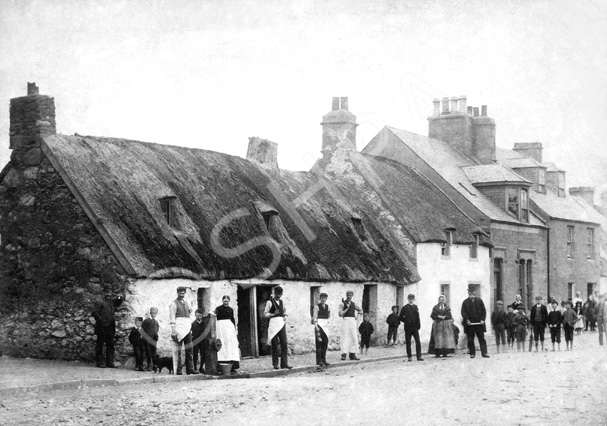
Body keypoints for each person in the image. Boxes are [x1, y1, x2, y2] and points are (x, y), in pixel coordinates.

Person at [91, 284, 124, 368]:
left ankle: (109, 362)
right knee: (100, 345)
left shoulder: (111, 301)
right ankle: (100, 362)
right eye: (107, 292)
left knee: (110, 344)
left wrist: (120, 298)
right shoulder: (100, 301)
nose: (109, 294)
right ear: (104, 292)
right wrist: (101, 320)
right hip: (102, 326)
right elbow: (94, 312)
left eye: (110, 292)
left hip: (110, 326)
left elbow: (117, 303)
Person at [169, 286, 197, 375]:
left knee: (189, 349)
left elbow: (189, 313)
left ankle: (190, 369)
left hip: (187, 327)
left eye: (183, 293)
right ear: (177, 293)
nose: (181, 295)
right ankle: (178, 369)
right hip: (178, 327)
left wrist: (190, 311)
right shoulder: (173, 304)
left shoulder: (186, 303)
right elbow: (172, 317)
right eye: (180, 293)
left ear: (185, 293)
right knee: (178, 350)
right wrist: (173, 330)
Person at [264, 286, 292, 369]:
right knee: (275, 344)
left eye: (280, 294)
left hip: (281, 323)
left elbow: (285, 311)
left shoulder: (282, 302)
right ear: (274, 293)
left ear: (282, 294)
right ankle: (275, 363)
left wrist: (285, 316)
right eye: (277, 294)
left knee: (284, 343)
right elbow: (265, 314)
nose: (278, 296)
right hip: (273, 324)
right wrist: (273, 314)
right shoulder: (269, 302)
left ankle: (284, 363)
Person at [460, 285, 489, 359]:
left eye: (473, 291)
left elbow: (484, 311)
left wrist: (483, 319)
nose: (472, 293)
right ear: (468, 292)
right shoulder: (465, 302)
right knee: (470, 339)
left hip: (479, 323)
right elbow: (463, 312)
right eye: (470, 292)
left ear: (475, 292)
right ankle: (472, 353)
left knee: (481, 338)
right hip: (470, 324)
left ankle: (484, 353)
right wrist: (467, 320)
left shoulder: (479, 301)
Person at [215, 296, 240, 374]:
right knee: (222, 344)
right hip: (221, 328)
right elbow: (214, 314)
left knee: (230, 344)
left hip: (229, 328)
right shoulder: (218, 308)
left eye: (227, 301)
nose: (226, 302)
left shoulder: (231, 309)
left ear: (229, 301)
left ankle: (232, 366)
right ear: (222, 301)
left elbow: (232, 319)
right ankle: (220, 367)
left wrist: (234, 328)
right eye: (224, 301)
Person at [339, 290, 363, 361]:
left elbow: (360, 310)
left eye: (350, 295)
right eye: (348, 295)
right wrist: (347, 308)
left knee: (353, 337)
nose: (349, 297)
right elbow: (340, 314)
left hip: (352, 321)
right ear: (346, 295)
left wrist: (357, 316)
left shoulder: (354, 304)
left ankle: (352, 354)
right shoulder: (342, 304)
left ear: (352, 296)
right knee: (345, 337)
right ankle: (343, 354)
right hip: (345, 321)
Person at [399, 294, 423, 362]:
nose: (411, 300)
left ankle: (419, 356)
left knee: (418, 342)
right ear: (408, 299)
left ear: (414, 299)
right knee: (408, 342)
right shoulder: (405, 307)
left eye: (412, 299)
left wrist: (418, 326)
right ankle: (409, 357)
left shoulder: (416, 307)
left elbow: (418, 317)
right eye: (410, 299)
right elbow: (400, 317)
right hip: (408, 328)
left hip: (415, 327)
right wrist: (406, 321)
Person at [312, 292, 331, 366]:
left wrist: (327, 323)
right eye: (322, 298)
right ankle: (319, 360)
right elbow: (314, 317)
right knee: (319, 343)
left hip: (325, 327)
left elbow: (329, 316)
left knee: (325, 343)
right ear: (320, 298)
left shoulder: (328, 307)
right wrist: (316, 326)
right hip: (319, 326)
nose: (323, 299)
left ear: (326, 299)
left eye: (325, 298)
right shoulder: (317, 307)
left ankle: (324, 359)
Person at [191, 308, 210, 374]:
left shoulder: (204, 323)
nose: (198, 317)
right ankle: (195, 367)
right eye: (197, 315)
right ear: (195, 315)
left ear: (202, 315)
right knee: (195, 354)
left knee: (203, 354)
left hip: (202, 341)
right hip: (195, 341)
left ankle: (201, 367)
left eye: (200, 315)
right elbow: (190, 332)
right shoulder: (193, 324)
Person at [141, 307, 159, 371]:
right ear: (150, 313)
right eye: (153, 313)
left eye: (155, 313)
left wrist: (156, 336)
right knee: (148, 352)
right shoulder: (146, 321)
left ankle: (154, 365)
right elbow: (142, 329)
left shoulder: (156, 322)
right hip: (148, 339)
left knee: (154, 352)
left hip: (154, 339)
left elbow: (157, 329)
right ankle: (149, 365)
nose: (154, 314)